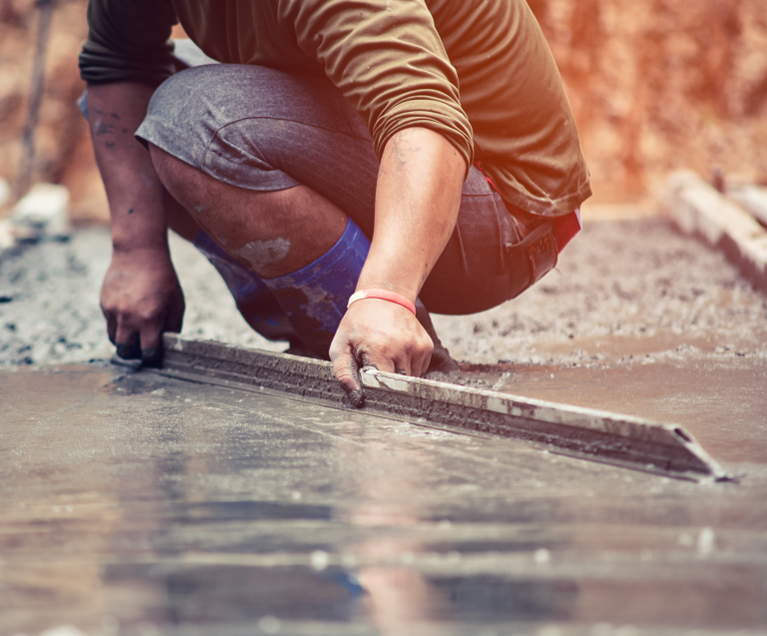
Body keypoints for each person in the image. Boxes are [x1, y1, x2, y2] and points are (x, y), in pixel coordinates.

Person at [78, 0, 590, 405]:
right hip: (408, 164)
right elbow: (116, 64)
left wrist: (386, 296)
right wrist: (135, 252)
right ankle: (319, 329)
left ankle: (376, 339)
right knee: (150, 117)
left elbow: (418, 112)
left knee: (189, 119)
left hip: (502, 206)